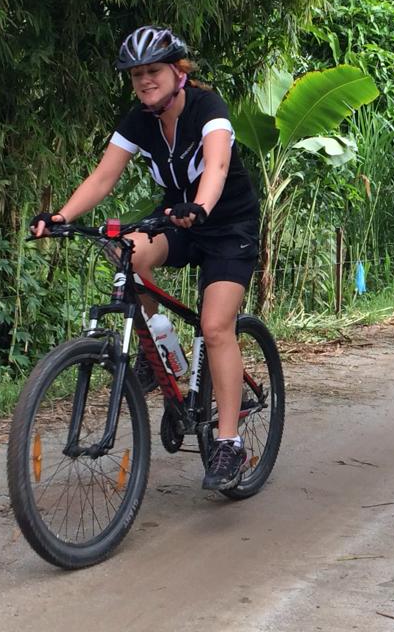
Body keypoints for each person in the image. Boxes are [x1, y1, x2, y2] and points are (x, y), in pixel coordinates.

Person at [30, 26, 259, 491]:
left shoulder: (207, 108)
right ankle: (159, 351)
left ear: (178, 71)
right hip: (177, 219)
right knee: (125, 249)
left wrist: (201, 206)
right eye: (137, 74)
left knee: (216, 326)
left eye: (154, 70)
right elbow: (103, 177)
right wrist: (61, 216)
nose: (145, 80)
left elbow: (216, 166)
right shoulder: (139, 120)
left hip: (227, 225)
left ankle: (229, 442)